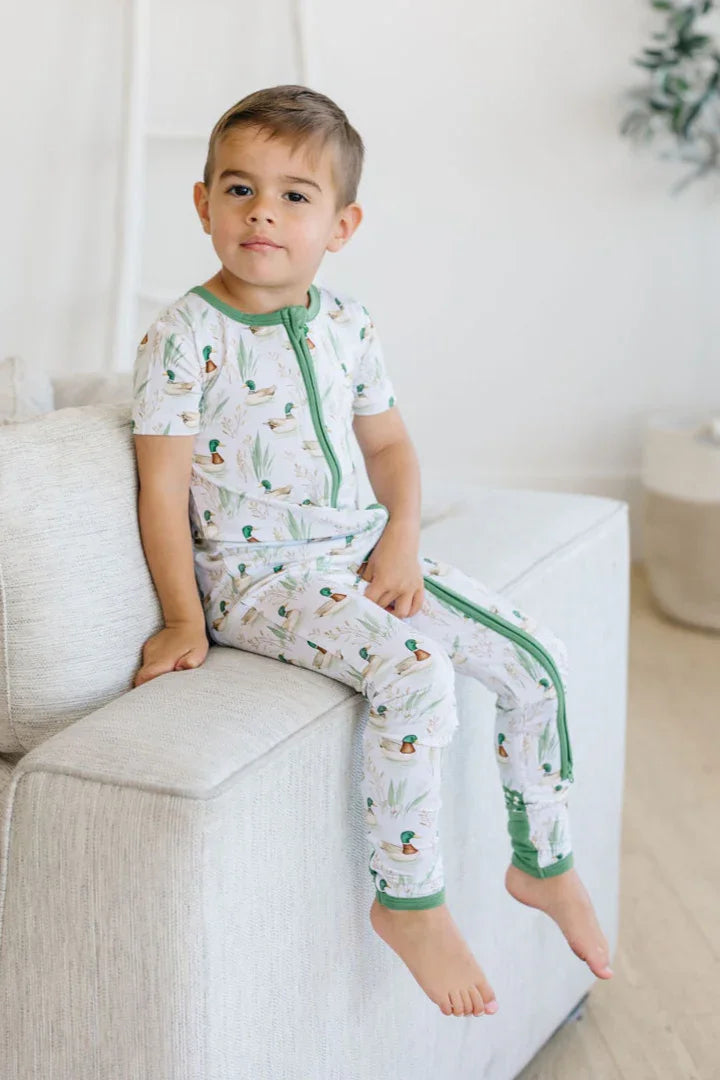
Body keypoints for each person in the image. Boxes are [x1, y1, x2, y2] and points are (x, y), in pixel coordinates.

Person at [130, 84, 613, 1019]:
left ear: (341, 226)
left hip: (357, 551)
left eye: (294, 196)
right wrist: (185, 617)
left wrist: (401, 537)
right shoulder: (182, 337)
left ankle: (544, 861)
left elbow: (390, 448)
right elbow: (160, 489)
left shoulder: (348, 323)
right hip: (259, 578)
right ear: (202, 204)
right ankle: (409, 901)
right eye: (238, 189)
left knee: (536, 661)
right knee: (416, 671)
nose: (262, 212)